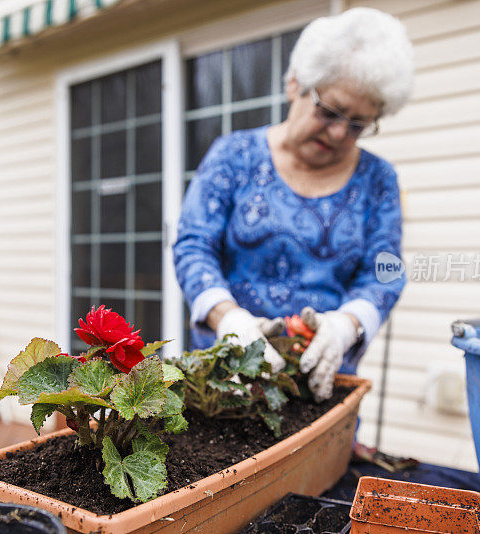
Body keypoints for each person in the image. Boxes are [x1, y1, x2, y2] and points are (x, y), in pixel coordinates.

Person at [173, 8, 413, 401]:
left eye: (358, 124)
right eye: (330, 111)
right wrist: (228, 318)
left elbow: (386, 272)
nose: (338, 132)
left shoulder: (378, 179)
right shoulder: (234, 156)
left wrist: (347, 324)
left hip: (323, 383)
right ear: (294, 85)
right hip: (229, 377)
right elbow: (193, 246)